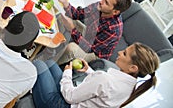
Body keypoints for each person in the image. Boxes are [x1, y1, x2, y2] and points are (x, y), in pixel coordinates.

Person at [32, 42, 160, 108]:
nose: (120, 52)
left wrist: (67, 74)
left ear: (133, 68)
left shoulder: (104, 79)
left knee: (39, 64)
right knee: (49, 63)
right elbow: (104, 90)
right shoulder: (131, 88)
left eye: (125, 53)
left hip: (60, 105)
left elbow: (70, 97)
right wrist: (89, 71)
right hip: (72, 102)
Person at [56, 0, 132, 64]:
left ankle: (50, 64)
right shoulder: (100, 5)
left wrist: (72, 29)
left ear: (115, 11)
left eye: (106, 2)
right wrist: (65, 2)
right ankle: (50, 44)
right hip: (89, 35)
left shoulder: (113, 29)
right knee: (61, 18)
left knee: (71, 49)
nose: (101, 2)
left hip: (94, 54)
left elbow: (90, 49)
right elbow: (78, 14)